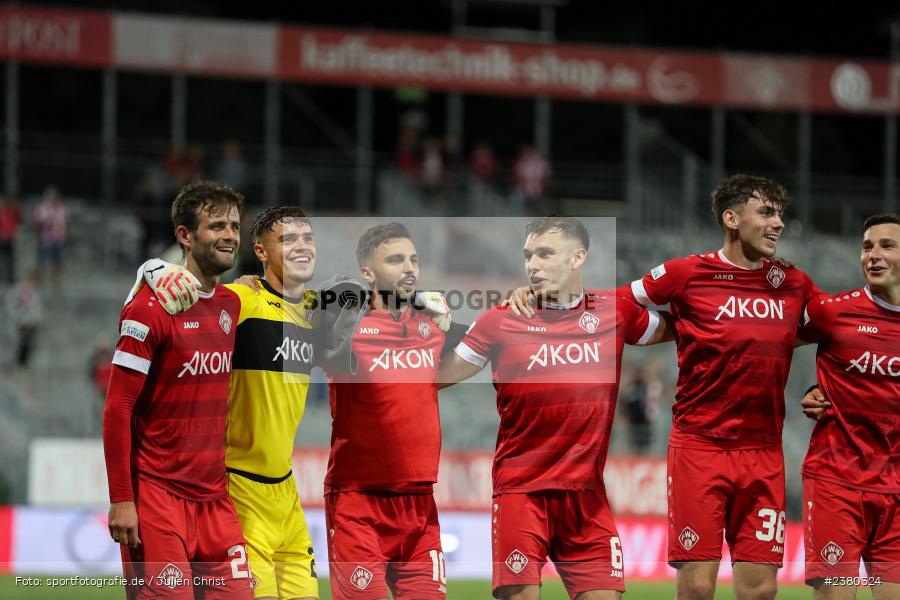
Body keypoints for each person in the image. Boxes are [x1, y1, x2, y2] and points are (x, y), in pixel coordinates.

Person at [438, 216, 671, 600]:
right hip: (521, 493)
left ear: (578, 257)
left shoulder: (614, 313)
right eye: (528, 255)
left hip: (587, 498)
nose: (532, 264)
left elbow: (693, 328)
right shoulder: (501, 321)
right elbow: (432, 378)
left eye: (545, 253)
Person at [623, 174, 821, 600]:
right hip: (699, 448)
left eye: (781, 213)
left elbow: (838, 329)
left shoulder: (793, 283)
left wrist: (826, 386)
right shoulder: (687, 273)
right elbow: (622, 303)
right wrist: (668, 330)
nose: (779, 223)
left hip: (763, 451)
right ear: (732, 219)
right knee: (695, 587)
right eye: (767, 212)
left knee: (761, 591)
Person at [103, 180, 253, 599]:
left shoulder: (232, 303)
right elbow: (118, 407)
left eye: (235, 226)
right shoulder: (149, 308)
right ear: (185, 236)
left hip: (216, 501)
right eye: (216, 226)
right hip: (157, 497)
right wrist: (122, 499)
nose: (229, 236)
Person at [323, 222, 465, 600]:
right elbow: (289, 313)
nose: (410, 268)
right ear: (368, 272)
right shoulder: (344, 325)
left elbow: (488, 345)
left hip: (419, 505)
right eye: (396, 259)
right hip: (358, 501)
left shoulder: (429, 326)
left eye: (414, 259)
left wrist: (452, 327)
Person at [798, 214, 900, 600]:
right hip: (836, 482)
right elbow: (770, 345)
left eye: (886, 245)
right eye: (867, 246)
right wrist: (811, 390)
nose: (873, 255)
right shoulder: (832, 312)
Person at [5, 270, 42, 369]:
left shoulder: (30, 289)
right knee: (24, 343)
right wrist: (23, 320)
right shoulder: (24, 289)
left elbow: (33, 306)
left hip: (30, 321)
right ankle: (20, 364)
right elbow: (22, 306)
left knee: (28, 343)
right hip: (25, 322)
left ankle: (22, 364)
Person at [33, 186, 66, 287]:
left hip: (58, 238)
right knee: (43, 260)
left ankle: (55, 282)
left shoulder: (61, 209)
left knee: (58, 261)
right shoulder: (42, 208)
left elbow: (64, 222)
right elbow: (38, 222)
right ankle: (41, 280)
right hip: (46, 238)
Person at [0, 195, 20, 285]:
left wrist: (11, 233)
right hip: (2, 239)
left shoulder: (11, 212)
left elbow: (15, 222)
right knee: (3, 259)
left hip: (9, 238)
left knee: (11, 259)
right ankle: (3, 278)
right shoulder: (1, 213)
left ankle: (10, 278)